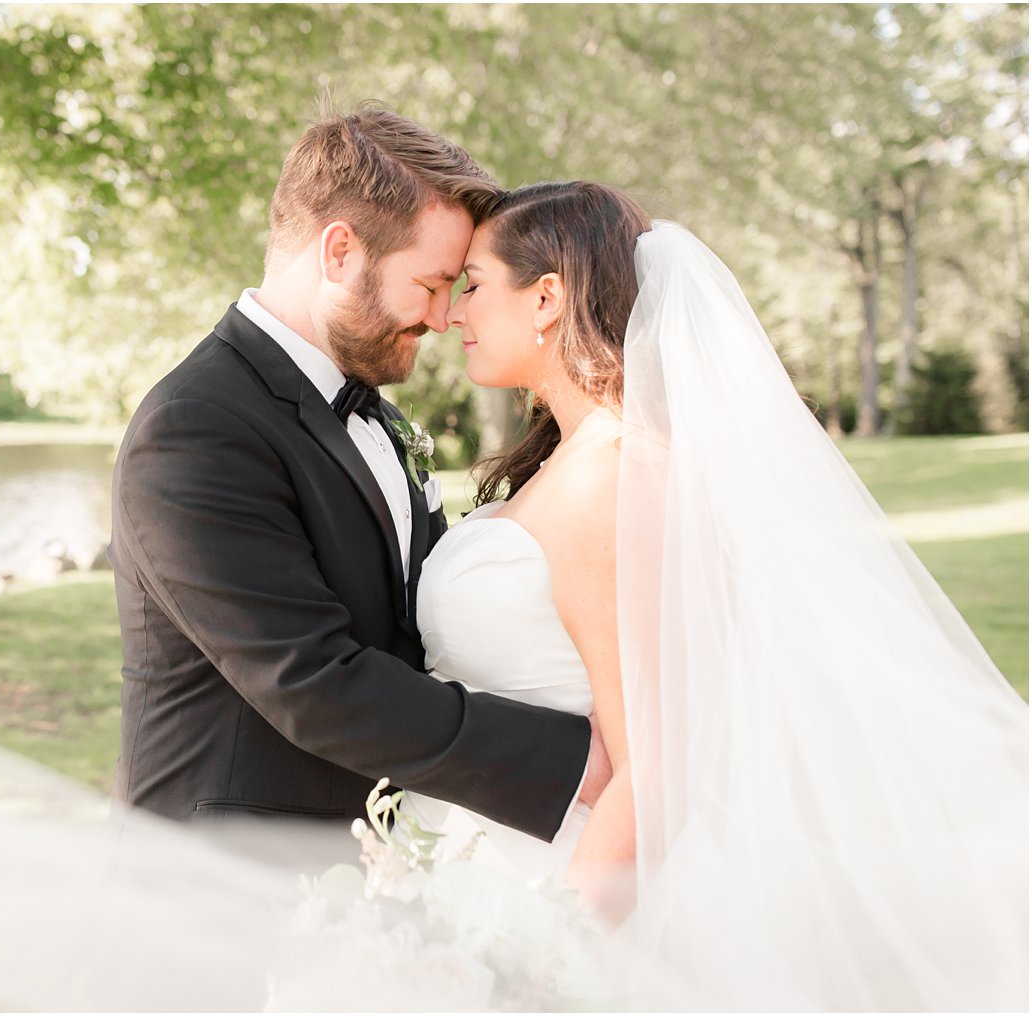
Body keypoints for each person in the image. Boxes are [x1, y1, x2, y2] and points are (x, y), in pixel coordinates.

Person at [411, 179, 1028, 1009]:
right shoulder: (571, 460)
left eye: (475, 286)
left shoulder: (613, 476)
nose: (452, 315)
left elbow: (654, 768)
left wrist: (536, 962)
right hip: (481, 854)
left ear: (548, 298)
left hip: (562, 892)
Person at [108, 106, 607, 839]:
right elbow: (312, 684)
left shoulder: (374, 413)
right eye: (432, 283)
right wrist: (573, 759)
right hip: (225, 884)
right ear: (339, 251)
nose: (443, 319)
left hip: (368, 866)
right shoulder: (196, 426)